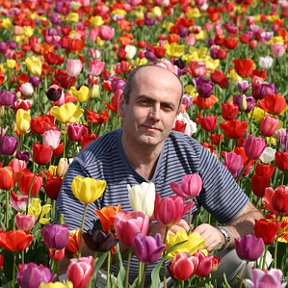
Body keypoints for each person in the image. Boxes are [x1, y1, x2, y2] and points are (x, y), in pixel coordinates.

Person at [57, 64, 264, 287]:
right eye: (145, 102)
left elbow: (254, 219)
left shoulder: (191, 155)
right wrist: (140, 236)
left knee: (248, 263)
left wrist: (223, 234)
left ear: (176, 116)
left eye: (166, 107)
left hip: (177, 277)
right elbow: (65, 254)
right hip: (111, 280)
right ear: (122, 106)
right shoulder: (90, 166)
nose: (155, 115)